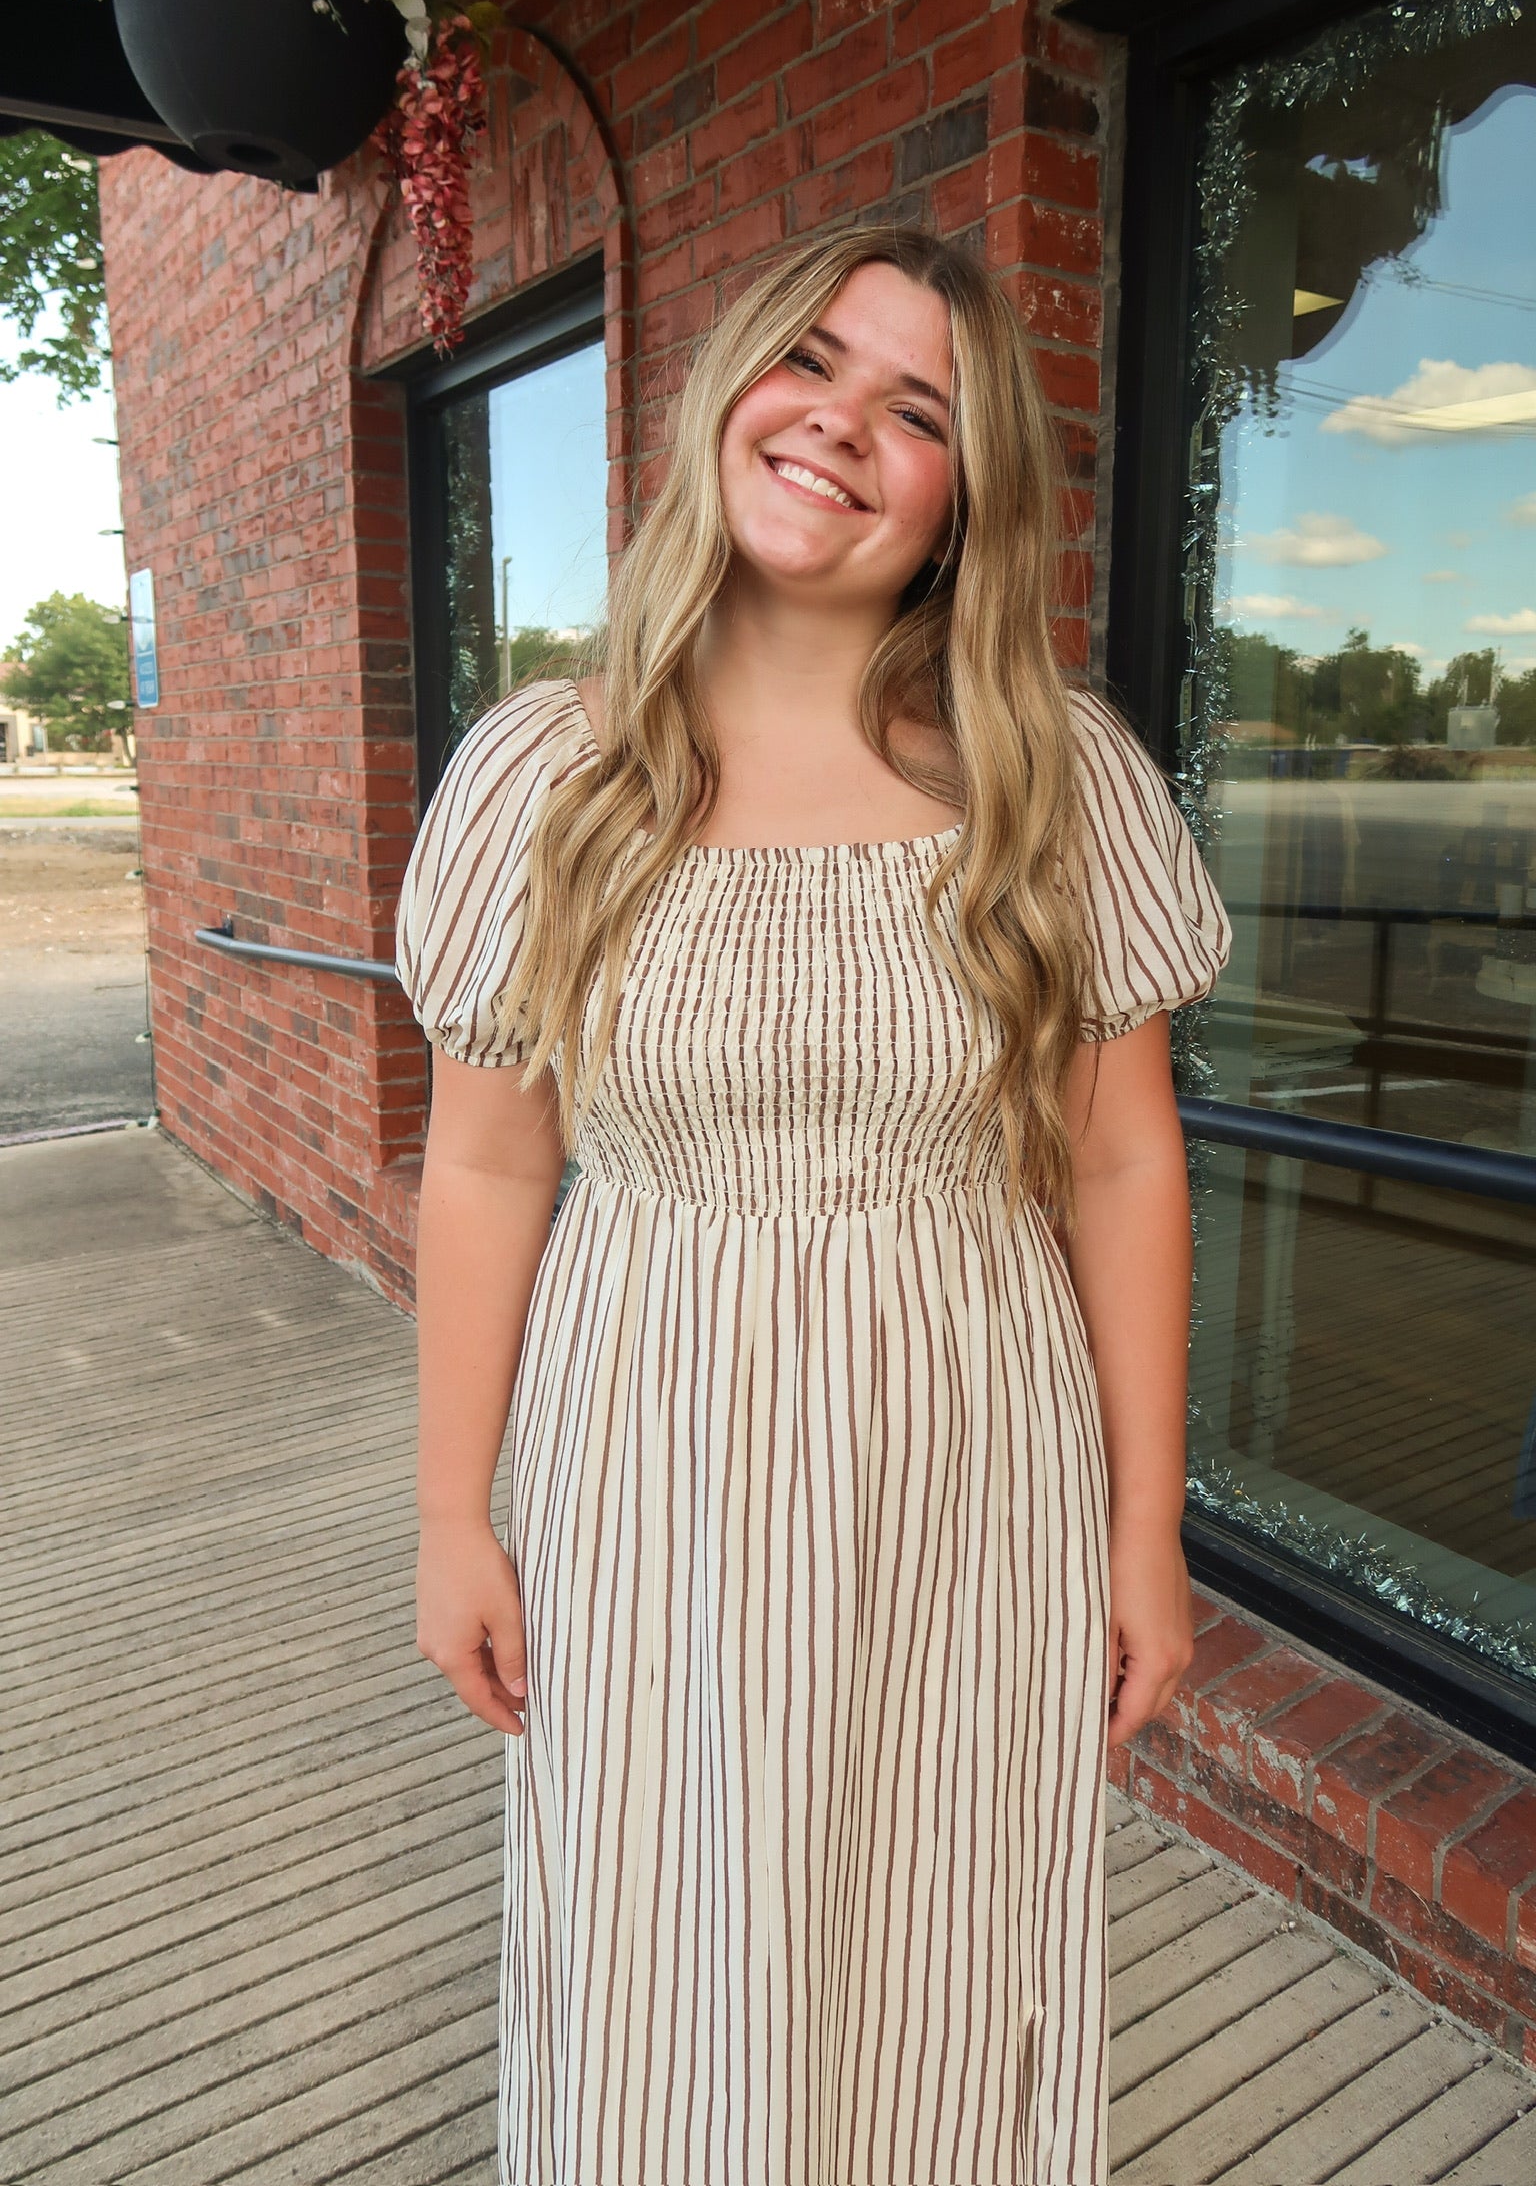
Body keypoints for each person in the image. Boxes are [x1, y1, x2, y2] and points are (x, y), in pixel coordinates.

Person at [395, 222, 1232, 2186]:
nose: (843, 426)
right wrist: (451, 1514)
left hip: (969, 1450)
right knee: (653, 1931)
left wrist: (1144, 1529)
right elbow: (492, 1162)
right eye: (813, 367)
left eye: (916, 411)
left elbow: (1122, 1159)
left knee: (941, 1936)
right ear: (727, 397)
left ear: (965, 499)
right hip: (646, 1441)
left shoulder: (1051, 778)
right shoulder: (546, 772)